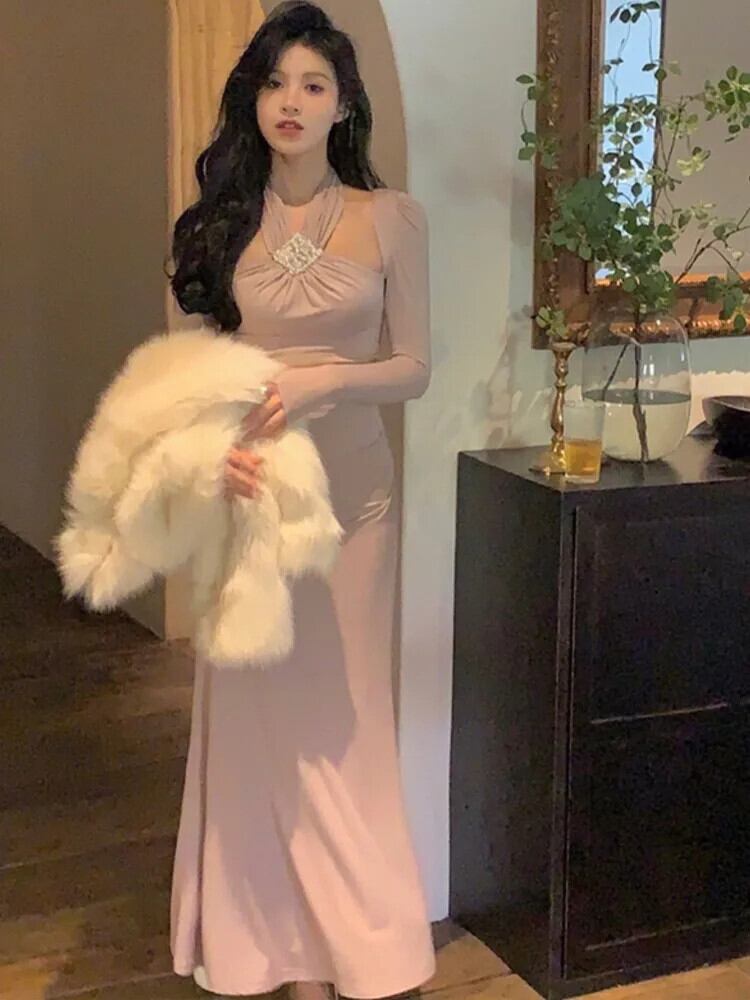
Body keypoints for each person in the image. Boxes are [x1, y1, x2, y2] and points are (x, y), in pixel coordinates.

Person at [167, 2, 435, 997]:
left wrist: (326, 382)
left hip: (354, 505)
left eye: (313, 84)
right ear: (255, 99)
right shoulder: (222, 222)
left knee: (345, 722)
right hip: (250, 498)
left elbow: (414, 368)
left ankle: (346, 954)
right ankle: (266, 950)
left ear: (343, 105)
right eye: (275, 82)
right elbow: (192, 375)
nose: (291, 100)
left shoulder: (390, 217)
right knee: (254, 721)